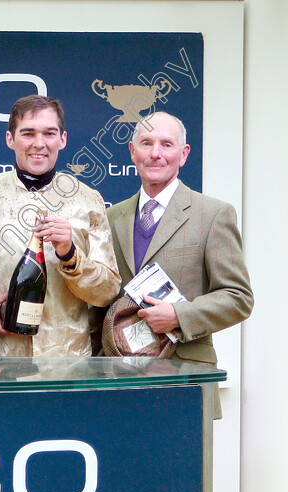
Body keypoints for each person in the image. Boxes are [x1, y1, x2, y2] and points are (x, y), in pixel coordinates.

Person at [0, 95, 121, 357]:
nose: (39, 143)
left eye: (49, 133)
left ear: (62, 139)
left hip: (68, 367)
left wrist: (70, 254)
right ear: (10, 139)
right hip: (2, 362)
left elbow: (107, 292)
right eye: (28, 133)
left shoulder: (89, 200)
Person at [104, 111, 253, 364]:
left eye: (167, 144)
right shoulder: (110, 217)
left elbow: (238, 297)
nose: (155, 154)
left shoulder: (213, 214)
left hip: (185, 372)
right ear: (132, 151)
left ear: (183, 154)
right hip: (120, 375)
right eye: (146, 143)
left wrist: (178, 315)